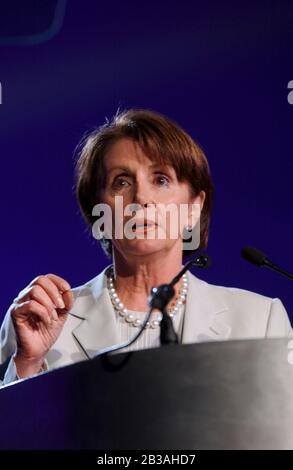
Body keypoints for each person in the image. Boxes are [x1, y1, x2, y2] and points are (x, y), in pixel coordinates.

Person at [0, 109, 291, 387]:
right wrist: (27, 362)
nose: (141, 197)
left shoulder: (260, 320)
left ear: (194, 208)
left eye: (161, 179)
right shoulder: (40, 320)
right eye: (121, 182)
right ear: (98, 209)